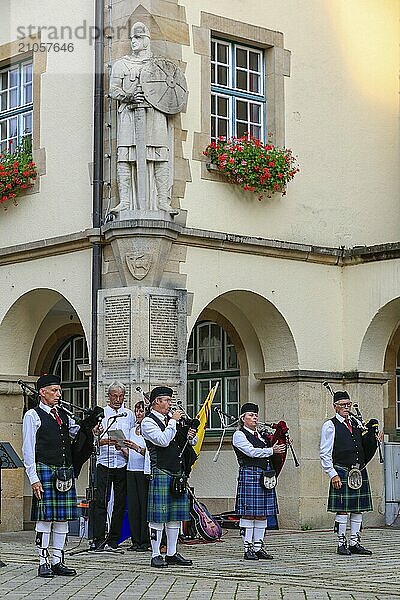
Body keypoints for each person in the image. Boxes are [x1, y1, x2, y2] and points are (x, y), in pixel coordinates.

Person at [109, 22, 177, 215]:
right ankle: (125, 202)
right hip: (129, 114)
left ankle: (162, 201)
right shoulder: (121, 64)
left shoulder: (159, 65)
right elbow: (113, 89)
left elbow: (171, 90)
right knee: (125, 156)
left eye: (138, 38)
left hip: (155, 115)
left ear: (147, 39)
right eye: (132, 38)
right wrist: (127, 96)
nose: (133, 41)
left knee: (159, 156)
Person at [22, 374, 84, 577]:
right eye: (54, 390)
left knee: (62, 519)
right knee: (45, 519)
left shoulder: (63, 415)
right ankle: (43, 561)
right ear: (42, 392)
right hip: (45, 470)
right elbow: (28, 449)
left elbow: (76, 434)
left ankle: (57, 560)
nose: (58, 394)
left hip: (64, 471)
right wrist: (34, 478)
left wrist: (90, 427)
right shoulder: (33, 415)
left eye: (59, 390)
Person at [320, 390, 383, 556]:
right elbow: (324, 453)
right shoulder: (330, 425)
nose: (346, 408)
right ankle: (341, 543)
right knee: (342, 509)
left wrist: (374, 441)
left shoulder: (355, 423)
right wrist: (332, 473)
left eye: (348, 404)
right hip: (341, 470)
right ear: (335, 407)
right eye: (342, 405)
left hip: (359, 470)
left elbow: (364, 447)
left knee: (357, 509)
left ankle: (354, 542)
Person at [141, 386, 196, 568]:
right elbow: (163, 441)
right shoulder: (148, 422)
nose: (170, 404)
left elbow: (181, 443)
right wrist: (173, 422)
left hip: (176, 471)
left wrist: (187, 434)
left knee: (174, 516)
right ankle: (156, 554)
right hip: (161, 471)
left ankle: (172, 553)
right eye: (167, 400)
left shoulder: (170, 421)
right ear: (157, 401)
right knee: (158, 517)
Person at [232, 402, 286, 561]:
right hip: (250, 473)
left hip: (264, 476)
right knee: (249, 514)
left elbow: (270, 448)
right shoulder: (239, 435)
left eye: (255, 415)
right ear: (243, 418)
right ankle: (247, 548)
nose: (254, 418)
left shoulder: (261, 436)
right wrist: (271, 450)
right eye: (250, 415)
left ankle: (258, 547)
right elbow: (251, 452)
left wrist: (280, 440)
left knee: (262, 514)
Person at [91, 381, 134, 551]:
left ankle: (114, 538)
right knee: (101, 500)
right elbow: (93, 439)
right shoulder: (102, 413)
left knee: (120, 503)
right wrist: (101, 440)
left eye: (121, 396)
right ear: (108, 396)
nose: (117, 399)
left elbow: (131, 436)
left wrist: (123, 446)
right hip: (104, 461)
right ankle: (99, 537)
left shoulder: (128, 414)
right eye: (114, 396)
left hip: (122, 462)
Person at [124, 400, 150, 552]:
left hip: (143, 471)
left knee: (143, 506)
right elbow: (129, 454)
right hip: (131, 470)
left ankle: (145, 539)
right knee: (133, 507)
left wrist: (137, 448)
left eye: (141, 411)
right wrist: (122, 448)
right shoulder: (131, 430)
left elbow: (150, 453)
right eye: (137, 411)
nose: (139, 414)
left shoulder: (148, 430)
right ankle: (135, 540)